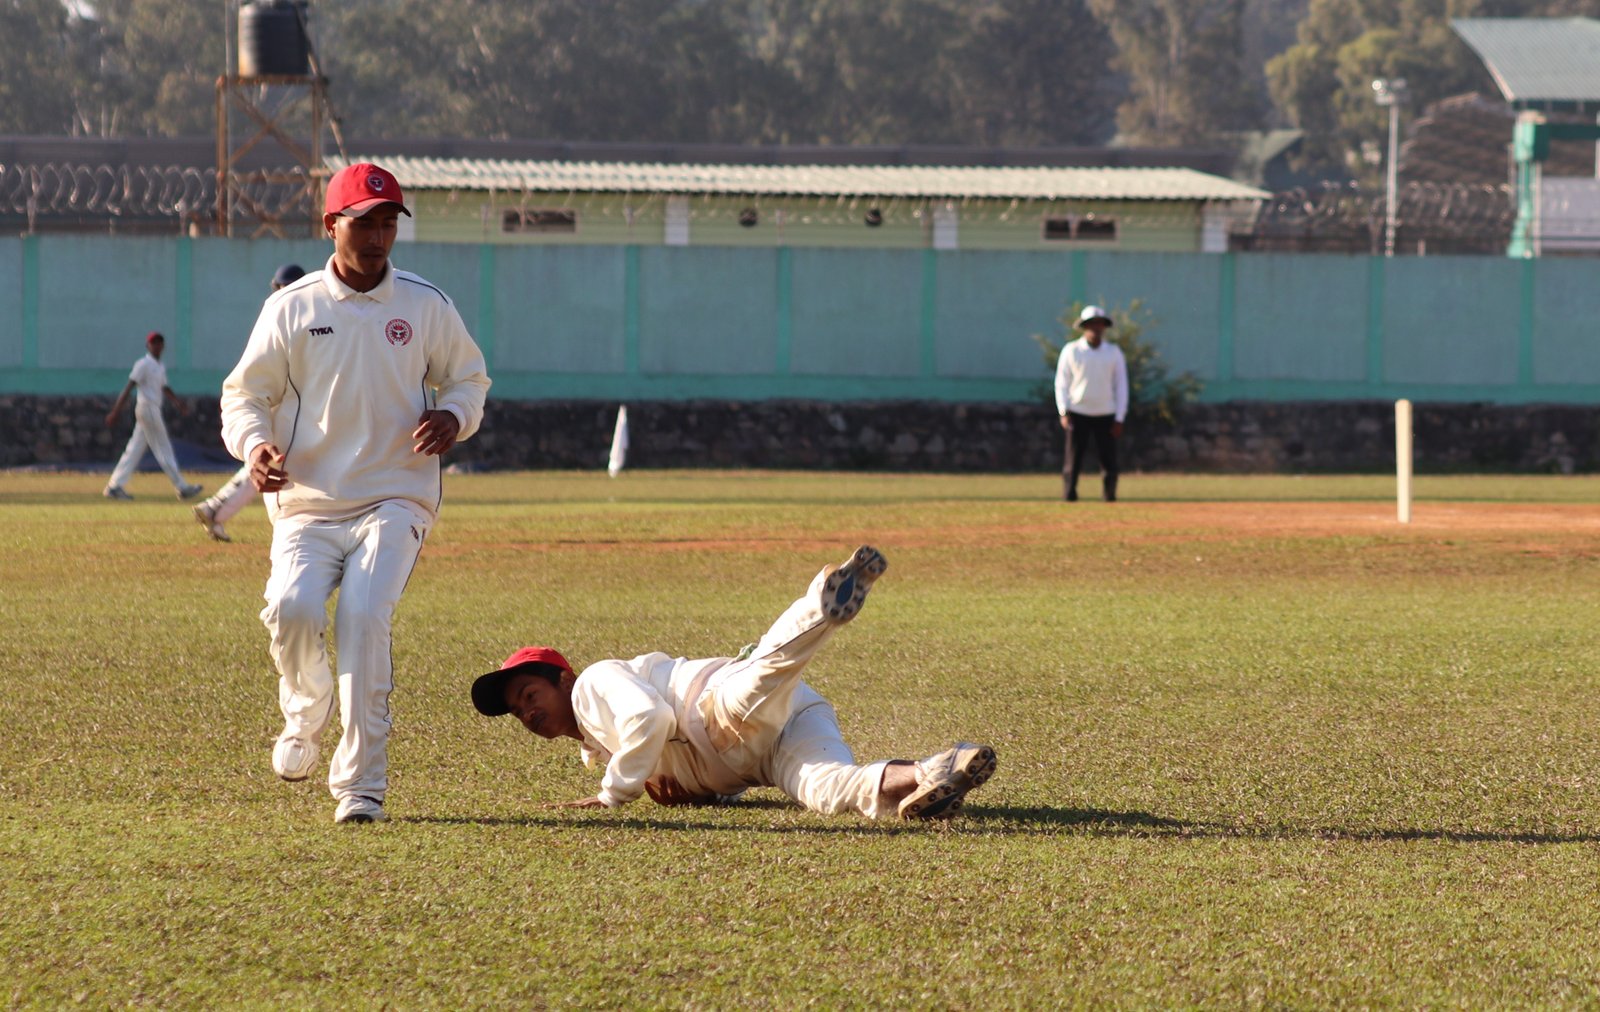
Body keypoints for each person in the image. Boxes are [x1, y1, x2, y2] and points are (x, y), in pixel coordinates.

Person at [220, 162, 491, 824]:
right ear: (330, 225)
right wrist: (254, 448)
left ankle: (360, 785)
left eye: (389, 222)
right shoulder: (293, 306)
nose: (378, 236)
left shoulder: (425, 304)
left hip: (395, 497)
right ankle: (304, 706)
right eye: (363, 222)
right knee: (291, 610)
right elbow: (243, 395)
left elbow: (469, 379)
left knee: (364, 620)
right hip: (307, 502)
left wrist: (454, 417)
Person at [470, 546, 998, 821]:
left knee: (770, 668)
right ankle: (933, 772)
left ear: (563, 679)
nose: (528, 713)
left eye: (529, 696)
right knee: (826, 790)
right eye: (518, 712)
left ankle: (825, 600)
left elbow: (651, 718)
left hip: (715, 708)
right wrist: (696, 794)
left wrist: (614, 796)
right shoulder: (600, 745)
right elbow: (700, 769)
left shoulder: (593, 686)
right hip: (765, 749)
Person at [193, 264, 306, 542]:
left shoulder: (301, 312)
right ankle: (216, 509)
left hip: (286, 404)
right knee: (265, 464)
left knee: (262, 464)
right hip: (279, 404)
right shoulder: (282, 314)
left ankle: (215, 508)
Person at [103, 331, 204, 501]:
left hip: (152, 409)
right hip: (147, 408)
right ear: (147, 346)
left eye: (159, 343)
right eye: (153, 343)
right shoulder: (143, 364)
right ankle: (182, 487)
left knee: (134, 450)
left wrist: (178, 403)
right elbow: (129, 387)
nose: (156, 346)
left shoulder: (159, 366)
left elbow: (164, 387)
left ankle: (114, 486)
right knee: (163, 448)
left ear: (163, 346)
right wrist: (115, 411)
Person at [1054, 305, 1128, 503]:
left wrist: (1119, 417)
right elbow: (1062, 382)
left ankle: (1109, 496)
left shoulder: (1113, 352)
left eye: (1099, 324)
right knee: (1073, 460)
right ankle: (1069, 495)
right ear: (1084, 326)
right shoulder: (1071, 351)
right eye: (1091, 324)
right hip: (1078, 412)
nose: (1096, 328)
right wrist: (1063, 410)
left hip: (1106, 413)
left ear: (1104, 327)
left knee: (1108, 460)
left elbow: (1121, 386)